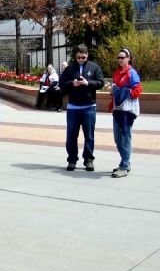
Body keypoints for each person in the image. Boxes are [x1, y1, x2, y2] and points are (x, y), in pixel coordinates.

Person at [59, 44, 104, 172]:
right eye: (79, 57)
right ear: (75, 56)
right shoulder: (70, 69)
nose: (81, 60)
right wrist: (72, 83)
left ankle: (88, 160)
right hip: (73, 107)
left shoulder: (94, 67)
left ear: (87, 55)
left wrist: (87, 83)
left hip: (89, 107)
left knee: (89, 135)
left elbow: (100, 82)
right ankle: (72, 160)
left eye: (83, 57)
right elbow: (62, 83)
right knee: (71, 135)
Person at [108, 48, 142, 178]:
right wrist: (114, 94)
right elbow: (116, 91)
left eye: (122, 57)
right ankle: (125, 162)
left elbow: (138, 89)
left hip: (127, 111)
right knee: (118, 139)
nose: (120, 60)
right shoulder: (117, 73)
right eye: (119, 57)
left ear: (128, 58)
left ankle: (124, 165)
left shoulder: (131, 73)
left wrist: (124, 92)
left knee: (125, 138)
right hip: (118, 110)